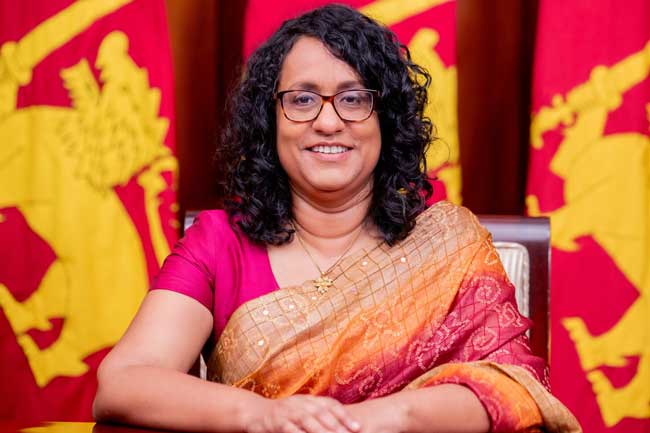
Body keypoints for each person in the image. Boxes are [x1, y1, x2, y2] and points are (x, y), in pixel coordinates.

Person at [94, 5, 581, 433]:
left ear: (386, 119)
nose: (328, 122)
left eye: (353, 99)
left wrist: (384, 418)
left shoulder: (448, 243)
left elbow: (513, 386)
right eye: (302, 99)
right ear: (270, 119)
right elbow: (125, 381)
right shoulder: (220, 241)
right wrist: (264, 416)